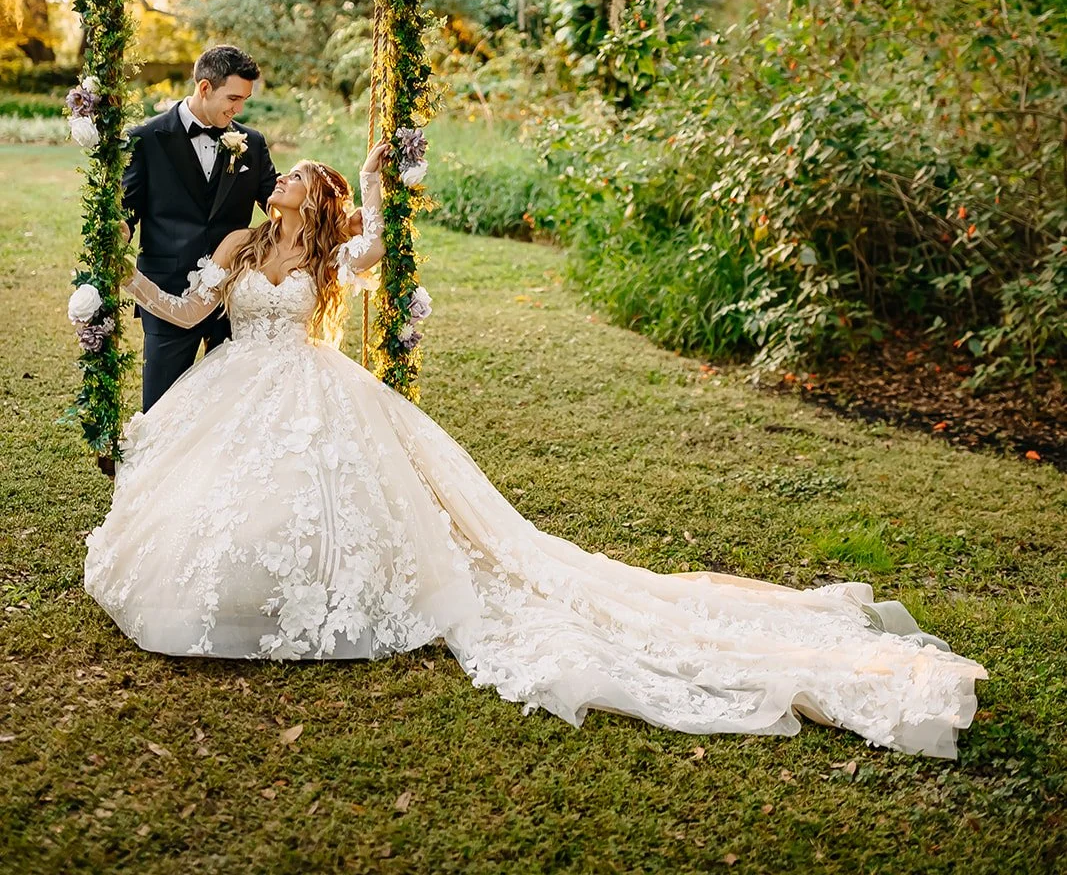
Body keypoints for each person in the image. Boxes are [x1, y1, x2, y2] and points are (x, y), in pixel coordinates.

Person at [86, 146, 987, 760]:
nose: (279, 182)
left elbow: (374, 231)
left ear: (311, 205)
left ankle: (313, 597)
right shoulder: (239, 245)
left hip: (315, 392)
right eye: (283, 179)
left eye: (296, 183)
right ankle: (242, 594)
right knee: (230, 502)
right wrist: (111, 276)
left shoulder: (332, 258)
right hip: (240, 388)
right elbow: (182, 313)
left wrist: (370, 173)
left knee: (326, 502)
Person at [121, 44, 278, 412]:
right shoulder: (145, 139)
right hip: (167, 293)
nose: (238, 109)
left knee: (231, 411)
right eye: (233, 98)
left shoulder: (251, 143)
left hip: (232, 294)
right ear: (205, 88)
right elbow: (126, 210)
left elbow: (277, 203)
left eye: (244, 101)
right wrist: (119, 233)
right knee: (160, 408)